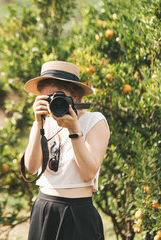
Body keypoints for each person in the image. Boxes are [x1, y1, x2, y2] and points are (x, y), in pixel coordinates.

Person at [21, 61, 110, 240]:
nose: (54, 103)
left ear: (75, 97)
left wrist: (74, 130)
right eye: (47, 98)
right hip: (44, 209)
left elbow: (87, 174)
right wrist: (38, 124)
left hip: (77, 212)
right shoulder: (43, 122)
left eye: (58, 97)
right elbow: (31, 168)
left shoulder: (94, 121)